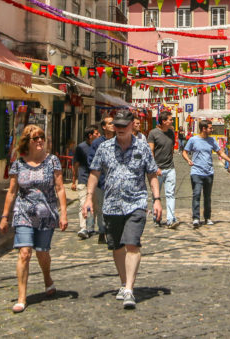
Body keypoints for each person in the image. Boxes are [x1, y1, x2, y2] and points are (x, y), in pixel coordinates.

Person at [84, 109, 162, 310]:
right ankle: (123, 281)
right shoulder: (104, 148)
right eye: (116, 125)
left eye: (122, 126)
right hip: (111, 204)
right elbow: (94, 173)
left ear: (131, 126)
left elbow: (152, 174)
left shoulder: (142, 147)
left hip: (136, 203)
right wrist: (88, 199)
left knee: (132, 244)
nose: (118, 129)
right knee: (117, 247)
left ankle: (129, 289)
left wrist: (157, 199)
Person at [0, 125, 68, 313]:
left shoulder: (52, 161)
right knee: (24, 253)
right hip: (23, 213)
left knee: (42, 253)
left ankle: (47, 278)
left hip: (46, 215)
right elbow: (12, 192)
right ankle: (22, 297)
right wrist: (5, 216)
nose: (39, 141)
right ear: (27, 143)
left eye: (42, 137)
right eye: (35, 138)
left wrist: (63, 213)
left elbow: (60, 188)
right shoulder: (18, 164)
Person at [180, 120, 230, 227]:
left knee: (207, 196)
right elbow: (184, 152)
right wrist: (188, 160)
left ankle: (207, 217)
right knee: (196, 194)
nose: (212, 129)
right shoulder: (193, 140)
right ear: (204, 129)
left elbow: (220, 152)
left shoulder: (212, 140)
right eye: (210, 128)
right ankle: (196, 218)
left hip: (209, 172)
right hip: (196, 172)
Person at [147, 110, 178, 227]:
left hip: (170, 168)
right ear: (164, 121)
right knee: (156, 194)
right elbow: (151, 151)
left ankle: (171, 219)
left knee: (170, 194)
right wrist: (154, 167)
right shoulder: (153, 133)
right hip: (157, 169)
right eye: (170, 119)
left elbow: (171, 149)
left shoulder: (171, 132)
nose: (172, 121)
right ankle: (157, 217)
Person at [90, 115, 115, 243]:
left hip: (115, 183)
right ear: (104, 127)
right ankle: (102, 231)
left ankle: (111, 231)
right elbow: (92, 163)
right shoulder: (97, 143)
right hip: (101, 183)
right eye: (110, 123)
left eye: (113, 123)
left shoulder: (119, 141)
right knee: (101, 208)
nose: (113, 125)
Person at [72, 126, 100, 239]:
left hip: (96, 181)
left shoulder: (99, 146)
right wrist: (74, 180)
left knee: (95, 205)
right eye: (96, 133)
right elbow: (76, 164)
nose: (98, 135)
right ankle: (83, 227)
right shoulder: (81, 147)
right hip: (83, 180)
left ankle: (91, 226)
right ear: (90, 135)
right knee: (83, 203)